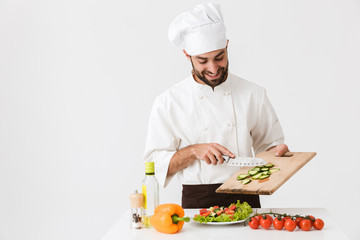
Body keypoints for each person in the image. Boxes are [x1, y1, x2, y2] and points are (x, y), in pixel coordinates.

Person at [143, 3, 289, 209]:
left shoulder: (254, 94)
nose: (213, 68)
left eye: (219, 57)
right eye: (203, 61)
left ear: (227, 46)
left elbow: (271, 148)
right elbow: (155, 165)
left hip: (247, 196)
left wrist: (278, 152)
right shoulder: (168, 102)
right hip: (197, 200)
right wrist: (194, 151)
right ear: (187, 55)